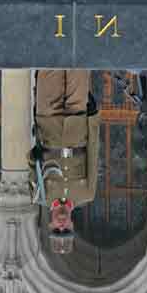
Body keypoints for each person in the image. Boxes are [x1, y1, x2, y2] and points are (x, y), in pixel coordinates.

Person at [29, 69, 100, 255]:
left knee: (50, 66)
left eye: (57, 230)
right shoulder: (86, 193)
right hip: (77, 120)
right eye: (66, 230)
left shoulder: (39, 195)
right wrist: (93, 118)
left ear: (50, 224)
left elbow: (30, 162)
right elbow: (93, 153)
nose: (61, 226)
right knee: (78, 67)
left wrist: (32, 155)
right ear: (72, 225)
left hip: (48, 118)